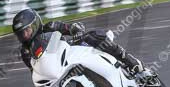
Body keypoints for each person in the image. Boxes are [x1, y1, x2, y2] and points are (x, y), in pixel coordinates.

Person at [12, 8, 147, 79]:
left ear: (35, 24)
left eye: (27, 31)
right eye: (21, 34)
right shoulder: (26, 52)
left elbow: (71, 27)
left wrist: (76, 31)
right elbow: (34, 70)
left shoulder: (50, 27)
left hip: (72, 52)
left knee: (92, 37)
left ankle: (129, 60)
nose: (24, 36)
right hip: (58, 71)